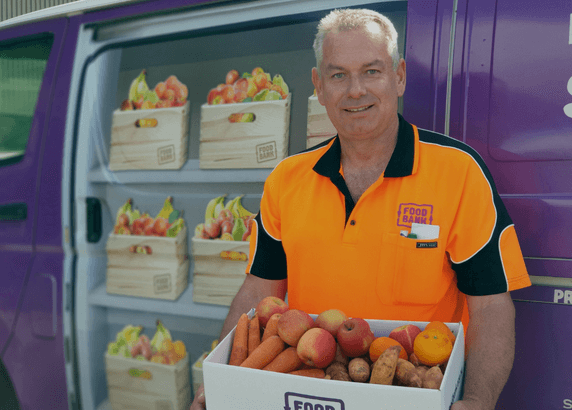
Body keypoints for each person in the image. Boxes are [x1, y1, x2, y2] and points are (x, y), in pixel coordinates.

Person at [190, 8, 531, 410]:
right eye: (338, 75)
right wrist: (218, 384)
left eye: (372, 71)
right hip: (303, 391)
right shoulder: (286, 179)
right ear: (319, 86)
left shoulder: (459, 173)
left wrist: (477, 399)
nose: (355, 90)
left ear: (399, 76)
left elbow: (491, 305)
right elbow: (258, 290)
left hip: (414, 392)